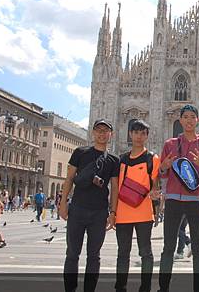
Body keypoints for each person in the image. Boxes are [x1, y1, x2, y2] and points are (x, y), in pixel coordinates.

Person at [158, 104, 199, 292]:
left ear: (198, 120)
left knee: (198, 248)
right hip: (174, 199)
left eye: (193, 117)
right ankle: (163, 287)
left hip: (195, 200)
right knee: (168, 247)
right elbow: (163, 175)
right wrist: (164, 166)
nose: (189, 120)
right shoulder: (170, 144)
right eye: (186, 117)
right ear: (180, 120)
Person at [59, 118, 120, 292]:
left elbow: (114, 187)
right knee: (72, 254)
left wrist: (113, 212)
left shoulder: (114, 160)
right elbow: (69, 178)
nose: (102, 133)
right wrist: (63, 203)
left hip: (99, 212)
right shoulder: (80, 152)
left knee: (94, 256)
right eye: (98, 130)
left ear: (110, 134)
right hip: (77, 208)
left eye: (105, 130)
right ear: (93, 132)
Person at [115, 119, 160, 292]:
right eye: (136, 132)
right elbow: (114, 188)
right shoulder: (120, 160)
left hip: (144, 213)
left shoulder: (152, 159)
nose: (139, 136)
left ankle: (145, 287)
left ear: (147, 136)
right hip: (123, 213)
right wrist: (112, 211)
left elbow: (155, 184)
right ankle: (120, 287)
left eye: (143, 133)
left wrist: (156, 194)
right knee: (122, 254)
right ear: (130, 134)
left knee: (146, 253)